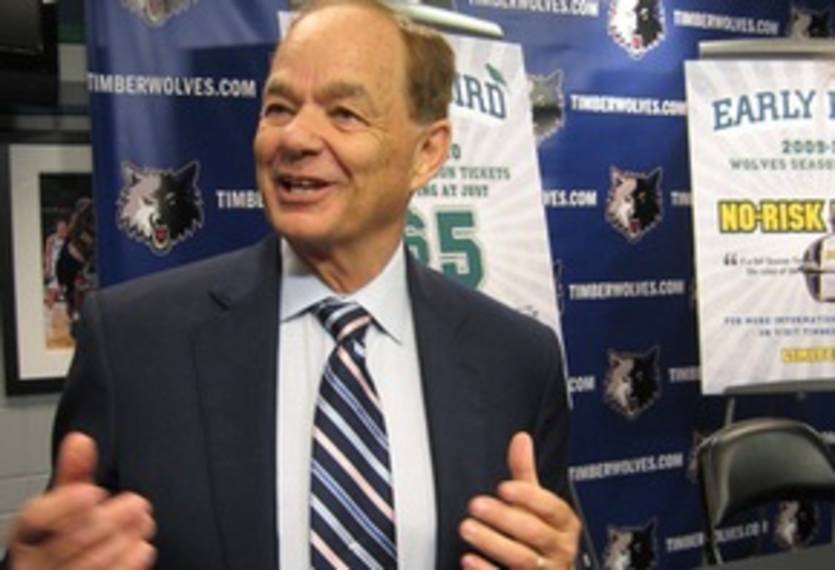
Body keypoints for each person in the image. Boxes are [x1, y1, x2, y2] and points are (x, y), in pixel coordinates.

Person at [3, 0, 581, 568]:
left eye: (344, 114)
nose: (295, 138)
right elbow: (64, 544)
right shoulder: (132, 344)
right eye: (278, 108)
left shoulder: (517, 360)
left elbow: (550, 549)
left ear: (426, 153)